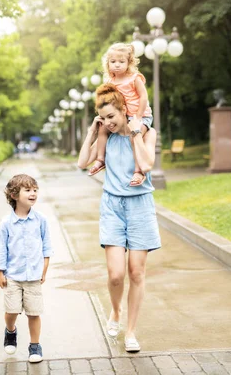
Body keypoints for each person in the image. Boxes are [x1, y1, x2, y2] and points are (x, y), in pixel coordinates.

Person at [77, 84, 161, 353]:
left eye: (112, 116)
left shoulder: (147, 133)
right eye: (104, 119)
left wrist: (134, 131)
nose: (109, 123)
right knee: (116, 275)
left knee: (136, 271)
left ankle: (131, 331)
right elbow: (81, 163)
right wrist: (93, 131)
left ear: (125, 110)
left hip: (140, 206)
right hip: (112, 206)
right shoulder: (105, 136)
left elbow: (146, 165)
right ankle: (115, 311)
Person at [0, 174, 53, 363]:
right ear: (14, 195)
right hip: (13, 276)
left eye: (35, 189)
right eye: (28, 190)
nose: (33, 193)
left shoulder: (41, 220)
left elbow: (47, 247)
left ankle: (34, 346)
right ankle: (10, 331)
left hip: (34, 276)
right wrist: (0, 272)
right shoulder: (6, 223)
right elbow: (1, 249)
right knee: (11, 311)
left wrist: (44, 269)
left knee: (34, 313)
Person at [88, 43, 153, 187]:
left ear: (128, 63)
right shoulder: (110, 81)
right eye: (113, 62)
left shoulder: (134, 78)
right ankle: (100, 160)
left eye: (121, 62)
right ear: (108, 63)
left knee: (134, 136)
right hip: (122, 117)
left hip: (141, 116)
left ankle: (138, 171)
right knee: (102, 129)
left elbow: (143, 97)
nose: (117, 65)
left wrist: (138, 117)